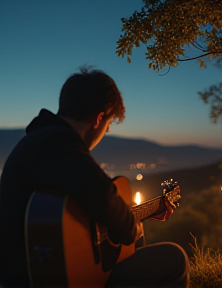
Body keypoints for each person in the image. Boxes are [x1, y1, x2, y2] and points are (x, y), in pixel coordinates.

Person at [0, 66, 190, 288]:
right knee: (175, 258)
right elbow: (107, 200)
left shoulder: (39, 140)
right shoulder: (60, 143)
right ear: (99, 119)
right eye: (108, 126)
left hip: (25, 275)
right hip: (48, 280)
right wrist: (132, 225)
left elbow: (87, 202)